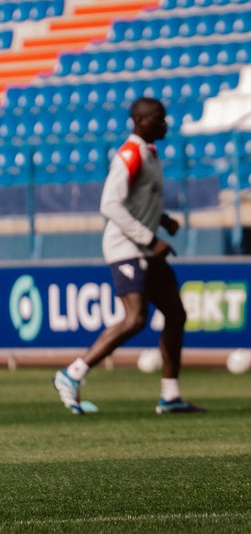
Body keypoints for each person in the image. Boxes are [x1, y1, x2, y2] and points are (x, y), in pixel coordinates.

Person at [52, 97, 204, 415]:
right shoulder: (129, 154)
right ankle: (71, 374)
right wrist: (151, 236)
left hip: (145, 247)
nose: (165, 124)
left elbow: (137, 201)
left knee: (175, 314)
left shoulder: (149, 153)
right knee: (134, 319)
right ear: (139, 120)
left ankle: (170, 395)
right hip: (126, 247)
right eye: (159, 118)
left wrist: (162, 220)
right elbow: (110, 205)